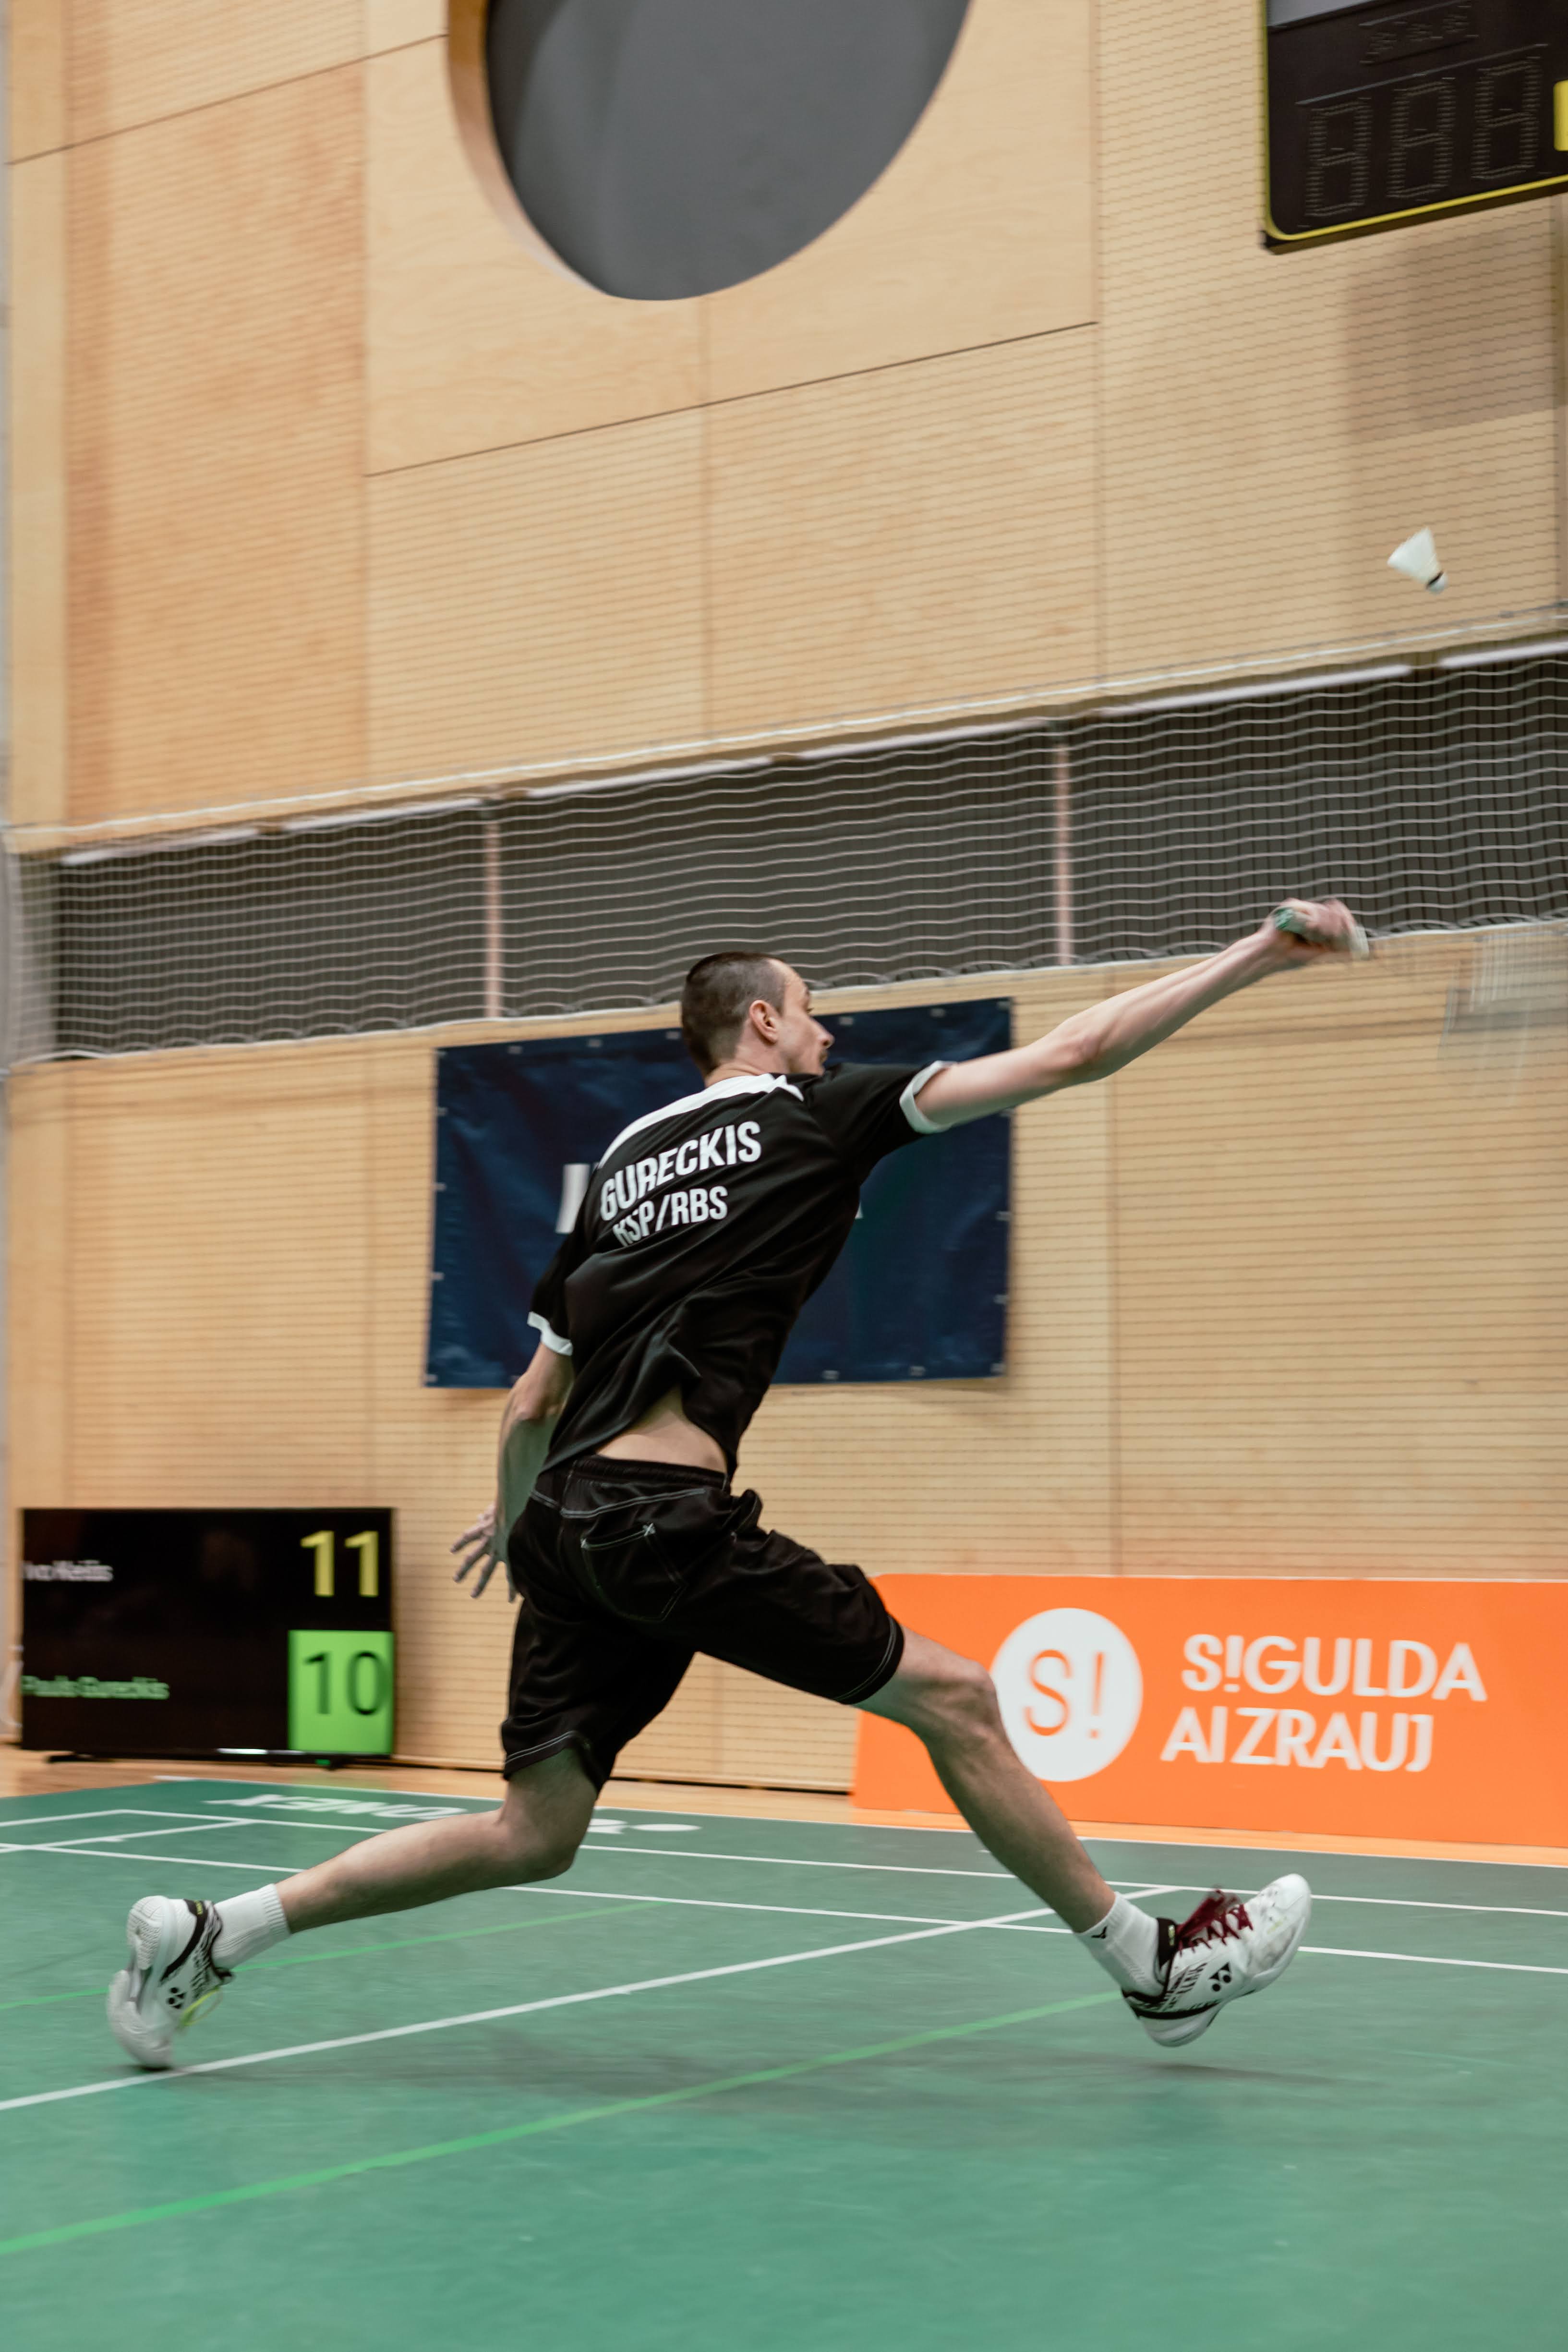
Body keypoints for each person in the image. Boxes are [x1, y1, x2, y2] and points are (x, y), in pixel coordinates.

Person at [108, 901, 1366, 2070]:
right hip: (660, 1521)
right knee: (958, 1696)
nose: (828, 1035)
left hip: (567, 1526)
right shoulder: (810, 1115)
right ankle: (1151, 1966)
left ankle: (215, 1934)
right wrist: (1257, 952)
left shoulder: (619, 1165)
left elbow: (530, 1403)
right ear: (761, 1020)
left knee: (531, 1832)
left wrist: (522, 1521)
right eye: (811, 1012)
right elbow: (1072, 1053)